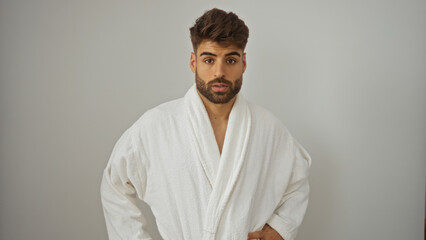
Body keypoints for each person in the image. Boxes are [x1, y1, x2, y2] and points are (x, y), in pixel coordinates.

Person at [100, 8, 311, 240]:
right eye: (209, 59)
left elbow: (297, 179)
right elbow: (115, 185)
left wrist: (280, 228)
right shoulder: (157, 126)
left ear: (244, 63)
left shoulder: (268, 127)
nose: (219, 72)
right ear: (193, 62)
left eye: (230, 60)